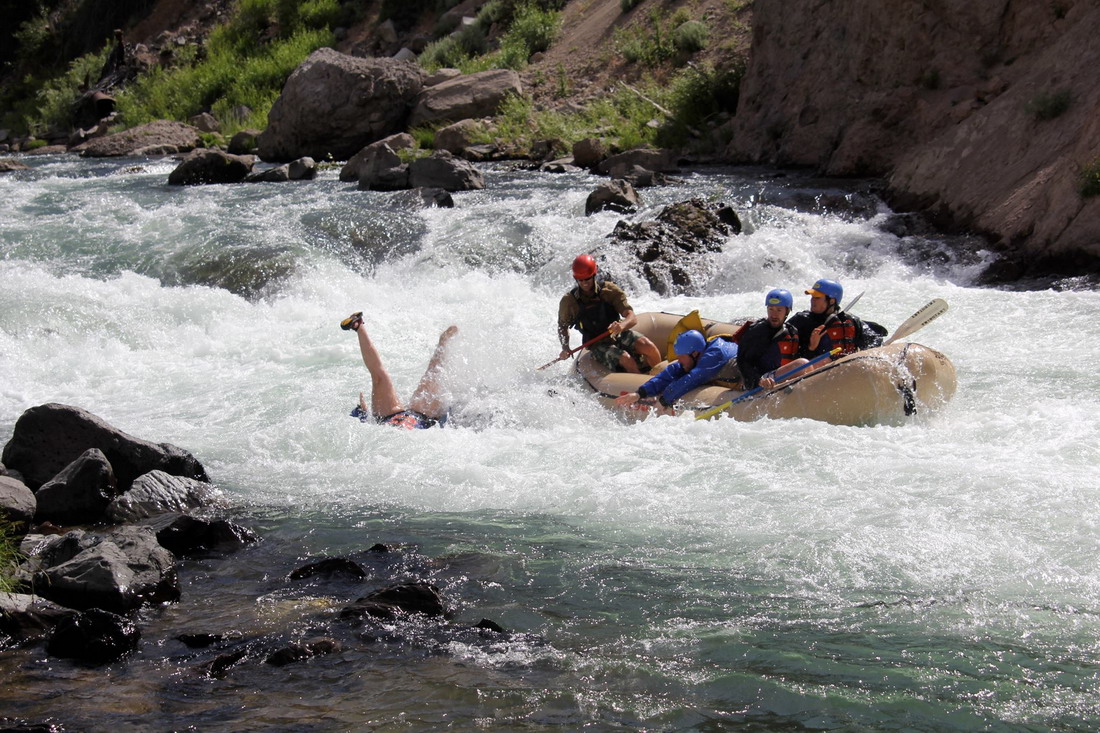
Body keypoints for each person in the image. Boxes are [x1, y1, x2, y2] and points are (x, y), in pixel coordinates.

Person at [340, 311, 458, 429]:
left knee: (378, 378)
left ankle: (358, 325)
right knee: (434, 376)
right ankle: (443, 343)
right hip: (421, 417)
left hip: (388, 416)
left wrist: (365, 416)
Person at [557, 254, 661, 374]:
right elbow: (562, 326)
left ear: (594, 275)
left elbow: (631, 317)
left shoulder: (609, 290)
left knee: (649, 346)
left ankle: (660, 377)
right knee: (626, 358)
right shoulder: (569, 302)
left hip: (618, 334)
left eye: (588, 279)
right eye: (581, 280)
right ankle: (642, 388)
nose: (584, 283)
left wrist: (621, 326)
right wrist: (565, 347)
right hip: (596, 343)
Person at [614, 329, 738, 415]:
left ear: (694, 353)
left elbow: (693, 378)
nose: (678, 360)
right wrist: (640, 393)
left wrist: (663, 401)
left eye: (681, 356)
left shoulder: (715, 354)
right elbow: (672, 371)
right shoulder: (698, 355)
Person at [787, 278, 883, 360]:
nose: (812, 300)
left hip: (846, 370)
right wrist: (811, 347)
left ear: (832, 301)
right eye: (812, 297)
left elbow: (875, 338)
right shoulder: (801, 320)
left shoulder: (849, 320)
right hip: (813, 373)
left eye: (817, 297)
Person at [736, 288, 811, 391]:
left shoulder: (792, 331)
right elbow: (743, 362)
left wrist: (812, 347)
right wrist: (759, 380)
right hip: (762, 380)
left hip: (780, 376)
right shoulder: (757, 331)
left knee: (809, 365)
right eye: (771, 309)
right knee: (802, 364)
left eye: (779, 310)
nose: (774, 315)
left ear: (787, 311)